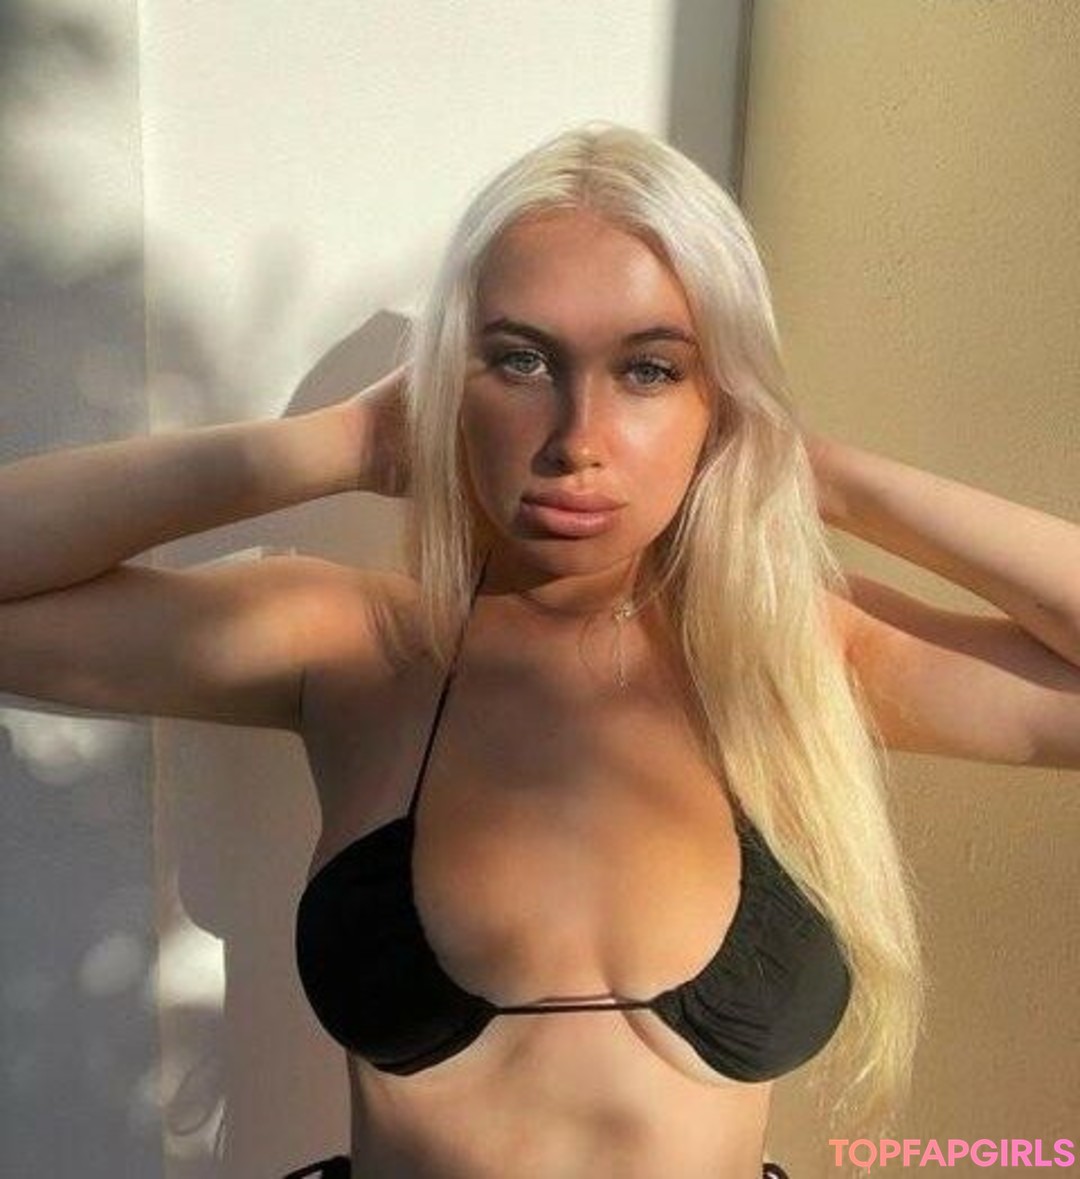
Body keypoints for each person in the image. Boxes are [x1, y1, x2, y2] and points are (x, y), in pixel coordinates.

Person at [2, 122, 1078, 1179]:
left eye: (650, 370)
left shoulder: (792, 655)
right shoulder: (357, 650)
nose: (577, 442)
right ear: (449, 382)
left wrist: (812, 474)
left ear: (721, 397)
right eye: (520, 361)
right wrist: (346, 443)